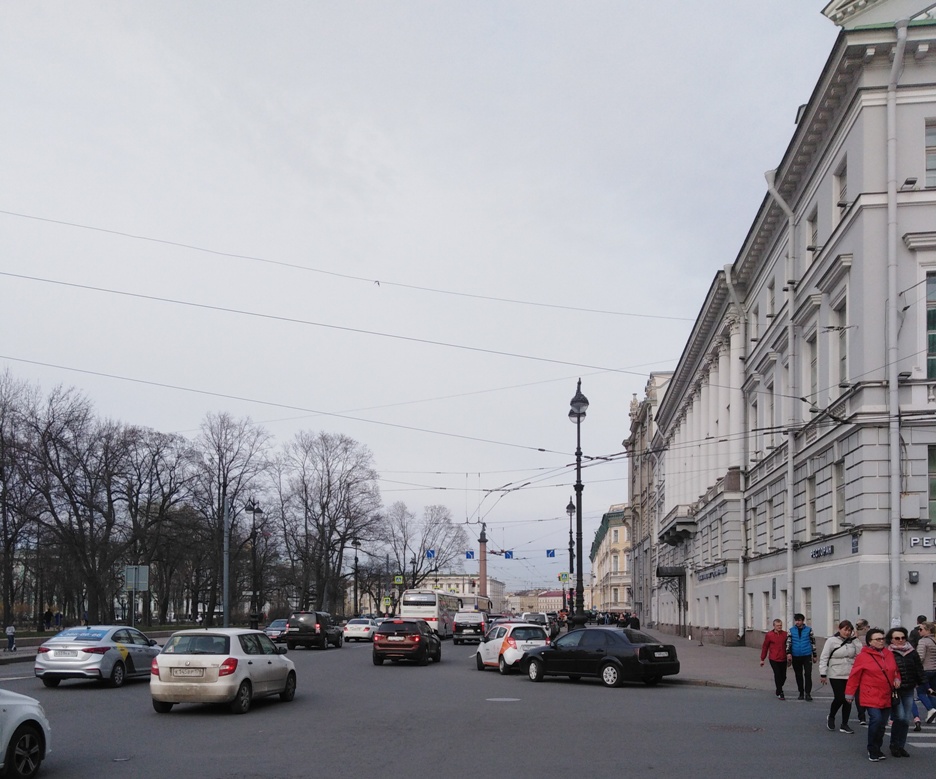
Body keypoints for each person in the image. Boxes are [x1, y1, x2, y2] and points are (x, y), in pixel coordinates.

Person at [845, 628, 900, 762]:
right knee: (876, 719)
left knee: (882, 724)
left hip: (886, 694)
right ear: (870, 641)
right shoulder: (863, 657)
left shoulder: (888, 654)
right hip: (870, 694)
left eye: (883, 639)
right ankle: (872, 749)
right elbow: (854, 676)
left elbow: (895, 670)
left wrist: (897, 678)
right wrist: (849, 693)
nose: (881, 641)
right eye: (878, 639)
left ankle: (877, 747)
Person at [886, 626, 928, 757]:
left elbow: (919, 669)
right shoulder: (887, 653)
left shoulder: (912, 652)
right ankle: (894, 745)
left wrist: (925, 685)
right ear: (891, 639)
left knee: (905, 720)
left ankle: (901, 746)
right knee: (900, 717)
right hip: (895, 690)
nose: (900, 640)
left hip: (909, 688)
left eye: (903, 637)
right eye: (897, 638)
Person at [819, 619, 858, 732]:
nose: (847, 632)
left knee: (848, 699)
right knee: (840, 697)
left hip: (850, 673)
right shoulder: (831, 641)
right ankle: (831, 716)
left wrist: (856, 639)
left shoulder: (853, 642)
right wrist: (823, 673)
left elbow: (859, 654)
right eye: (845, 630)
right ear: (839, 629)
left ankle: (844, 724)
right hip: (836, 673)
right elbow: (824, 657)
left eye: (849, 630)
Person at [786, 613, 817, 700]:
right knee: (798, 675)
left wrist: (814, 655)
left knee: (808, 674)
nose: (797, 622)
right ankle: (801, 692)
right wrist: (788, 653)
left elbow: (813, 642)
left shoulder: (809, 630)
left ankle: (808, 693)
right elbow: (788, 643)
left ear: (803, 621)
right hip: (796, 655)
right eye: (796, 620)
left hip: (807, 655)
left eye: (799, 620)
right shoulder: (791, 630)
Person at [760, 618, 788, 700]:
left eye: (780, 625)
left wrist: (790, 656)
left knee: (783, 676)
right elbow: (765, 647)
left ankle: (778, 687)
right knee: (777, 674)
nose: (779, 627)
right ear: (774, 626)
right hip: (773, 658)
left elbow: (789, 646)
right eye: (778, 625)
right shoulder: (769, 635)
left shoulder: (785, 634)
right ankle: (780, 691)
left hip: (783, 658)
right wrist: (762, 659)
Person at [916, 621, 936, 724]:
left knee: (921, 692)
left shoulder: (923, 641)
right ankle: (933, 713)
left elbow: (920, 657)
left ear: (928, 630)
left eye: (921, 629)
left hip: (924, 670)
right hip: (934, 670)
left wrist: (915, 668)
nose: (919, 631)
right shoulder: (934, 640)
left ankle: (931, 709)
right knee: (932, 692)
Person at [854, 618, 870, 725]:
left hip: (857, 667)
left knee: (858, 692)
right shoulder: (870, 638)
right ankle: (868, 711)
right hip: (869, 667)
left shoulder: (854, 638)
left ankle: (861, 715)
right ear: (865, 627)